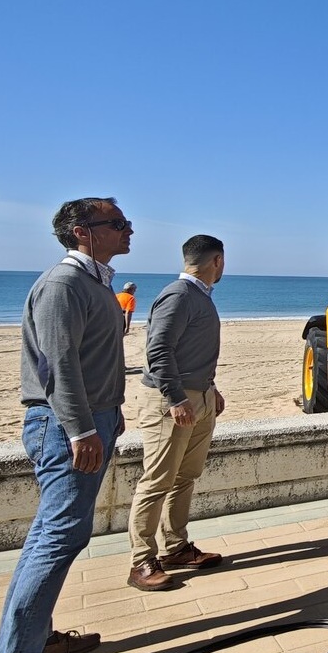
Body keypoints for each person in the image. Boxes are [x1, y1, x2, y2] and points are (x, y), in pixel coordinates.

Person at [0, 198, 132, 653]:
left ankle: (35, 639)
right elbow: (58, 367)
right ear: (81, 232)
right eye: (117, 224)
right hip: (67, 426)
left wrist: (111, 413)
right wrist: (82, 429)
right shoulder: (63, 284)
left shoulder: (94, 283)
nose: (127, 230)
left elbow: (93, 357)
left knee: (53, 536)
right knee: (58, 537)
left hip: (94, 418)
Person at [127, 235, 228, 591]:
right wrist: (175, 398)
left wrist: (210, 389)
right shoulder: (179, 295)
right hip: (171, 402)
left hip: (198, 397)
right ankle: (141, 562)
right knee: (157, 481)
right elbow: (159, 351)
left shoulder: (199, 296)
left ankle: (175, 547)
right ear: (217, 261)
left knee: (185, 476)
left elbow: (191, 351)